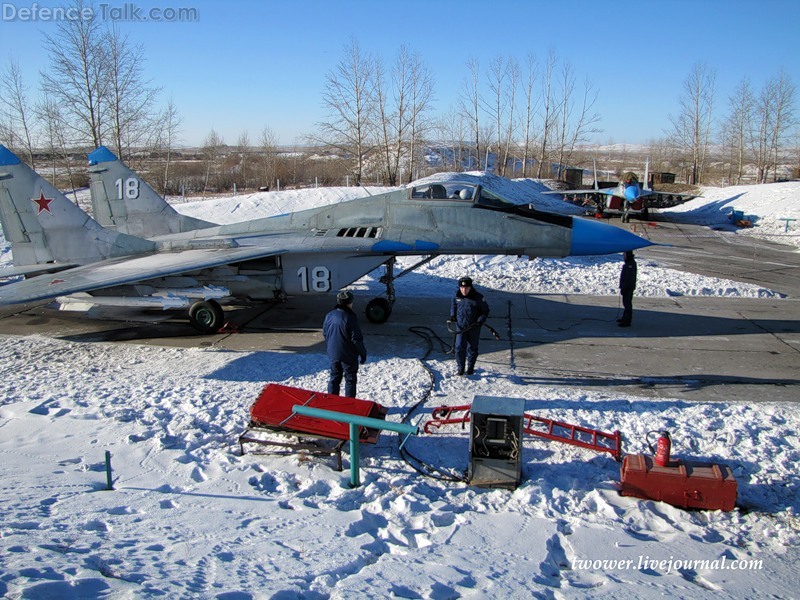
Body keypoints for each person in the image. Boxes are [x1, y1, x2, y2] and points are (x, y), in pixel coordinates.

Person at [323, 290, 367, 397]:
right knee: (350, 379)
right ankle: (349, 404)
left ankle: (332, 401)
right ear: (349, 303)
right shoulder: (350, 317)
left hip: (333, 353)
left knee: (334, 378)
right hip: (348, 356)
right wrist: (362, 353)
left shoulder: (329, 315)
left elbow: (325, 333)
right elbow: (356, 339)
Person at [448, 276, 490, 376]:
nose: (464, 290)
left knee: (472, 348)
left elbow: (485, 311)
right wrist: (452, 315)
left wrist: (480, 320)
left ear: (470, 287)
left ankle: (470, 367)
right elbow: (453, 306)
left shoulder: (478, 298)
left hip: (473, 328)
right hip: (461, 327)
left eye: (466, 288)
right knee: (459, 348)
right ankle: (460, 368)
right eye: (462, 288)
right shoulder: (457, 296)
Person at [618, 251, 637, 327]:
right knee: (625, 304)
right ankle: (624, 318)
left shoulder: (630, 265)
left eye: (624, 254)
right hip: (626, 287)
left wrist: (624, 288)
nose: (623, 256)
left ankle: (627, 321)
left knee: (627, 304)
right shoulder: (629, 263)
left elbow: (629, 279)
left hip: (628, 288)